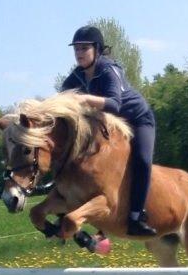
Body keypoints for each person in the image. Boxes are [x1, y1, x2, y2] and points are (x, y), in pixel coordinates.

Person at [60, 25, 157, 237]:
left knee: (141, 160)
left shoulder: (109, 69)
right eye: (76, 49)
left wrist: (84, 98)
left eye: (84, 48)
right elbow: (60, 99)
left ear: (97, 49)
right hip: (111, 126)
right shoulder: (76, 77)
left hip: (137, 120)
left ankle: (136, 216)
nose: (79, 53)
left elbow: (114, 104)